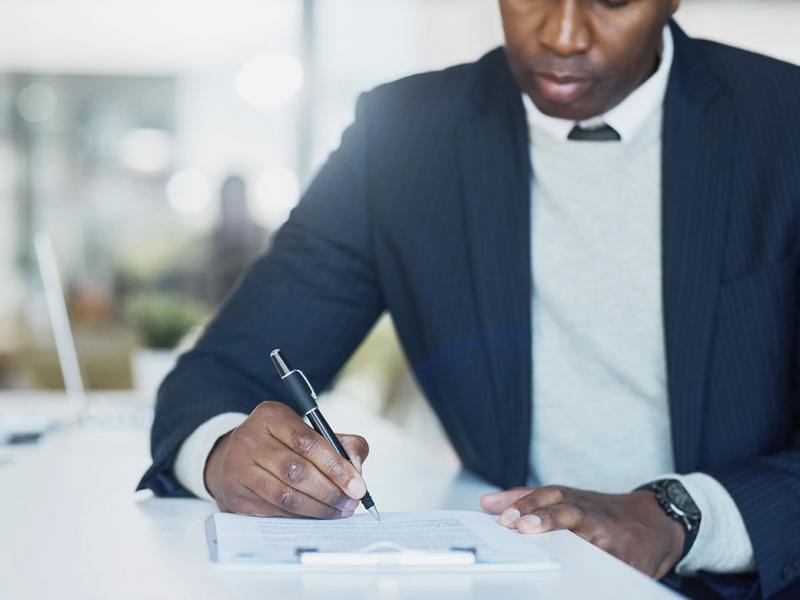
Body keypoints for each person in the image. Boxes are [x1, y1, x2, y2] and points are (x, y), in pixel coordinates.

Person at [139, 1, 800, 598]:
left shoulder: (785, 123)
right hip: (513, 580)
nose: (562, 35)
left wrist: (682, 516)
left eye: (612, 0)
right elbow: (221, 370)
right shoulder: (403, 139)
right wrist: (228, 456)